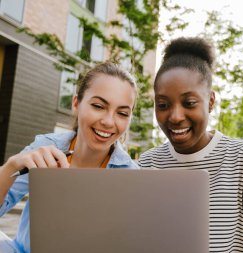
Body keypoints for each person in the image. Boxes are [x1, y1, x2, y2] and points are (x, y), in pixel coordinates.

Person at [138, 37, 243, 253]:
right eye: (163, 105)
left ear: (210, 101)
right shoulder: (147, 162)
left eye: (189, 103)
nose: (176, 116)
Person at [0, 62, 139, 253]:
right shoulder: (46, 147)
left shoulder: (132, 175)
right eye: (98, 106)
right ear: (76, 103)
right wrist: (11, 166)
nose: (108, 122)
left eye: (122, 113)